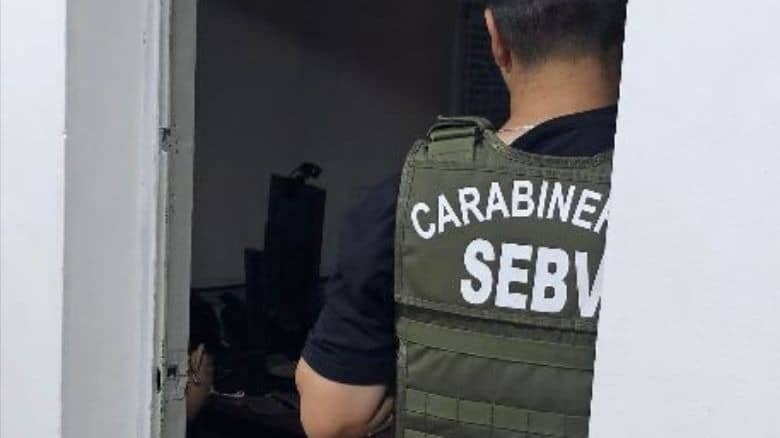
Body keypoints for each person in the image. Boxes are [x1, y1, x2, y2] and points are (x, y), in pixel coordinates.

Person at [295, 1, 627, 436]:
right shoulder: (667, 200)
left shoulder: (406, 200)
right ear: (625, 36)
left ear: (495, 37)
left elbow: (331, 419)